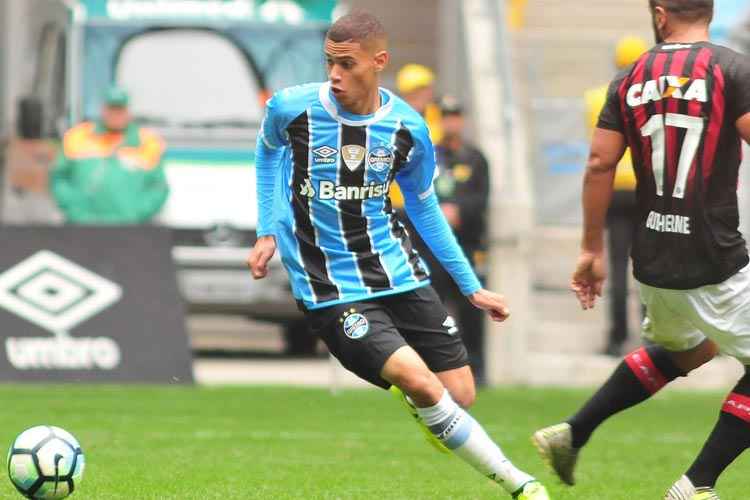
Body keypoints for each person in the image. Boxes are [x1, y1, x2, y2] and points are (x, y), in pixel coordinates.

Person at [247, 10, 550, 500]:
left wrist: (471, 287)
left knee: (461, 395)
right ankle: (520, 484)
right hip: (330, 286)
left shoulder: (408, 127)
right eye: (329, 62)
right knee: (423, 384)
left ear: (379, 61)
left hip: (396, 269)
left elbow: (425, 209)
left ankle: (424, 403)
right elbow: (267, 153)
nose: (335, 75)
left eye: (347, 64)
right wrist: (267, 229)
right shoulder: (293, 108)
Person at [533, 1, 750, 498]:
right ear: (711, 10)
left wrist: (590, 248)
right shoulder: (731, 69)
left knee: (692, 347)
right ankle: (697, 484)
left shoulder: (629, 78)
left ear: (659, 14)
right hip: (713, 256)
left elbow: (597, 164)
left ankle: (574, 431)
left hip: (651, 259)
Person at [410, 95, 490, 383]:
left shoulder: (475, 157)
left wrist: (459, 210)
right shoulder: (431, 155)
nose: (450, 122)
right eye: (445, 116)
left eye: (455, 116)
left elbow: (481, 199)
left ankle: (477, 369)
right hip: (434, 247)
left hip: (467, 243)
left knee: (472, 309)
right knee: (435, 308)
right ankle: (436, 368)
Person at [584, 36, 649, 357]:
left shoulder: (597, 97)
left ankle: (616, 337)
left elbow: (597, 148)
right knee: (649, 264)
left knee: (617, 265)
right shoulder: (651, 97)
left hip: (612, 188)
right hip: (645, 187)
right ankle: (652, 336)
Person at [50, 86, 168, 224]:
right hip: (81, 227)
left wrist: (135, 214)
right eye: (111, 109)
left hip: (129, 230)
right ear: (103, 110)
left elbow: (158, 187)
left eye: (120, 109)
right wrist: (75, 211)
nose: (115, 114)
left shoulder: (148, 142)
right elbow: (59, 178)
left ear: (128, 111)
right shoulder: (77, 136)